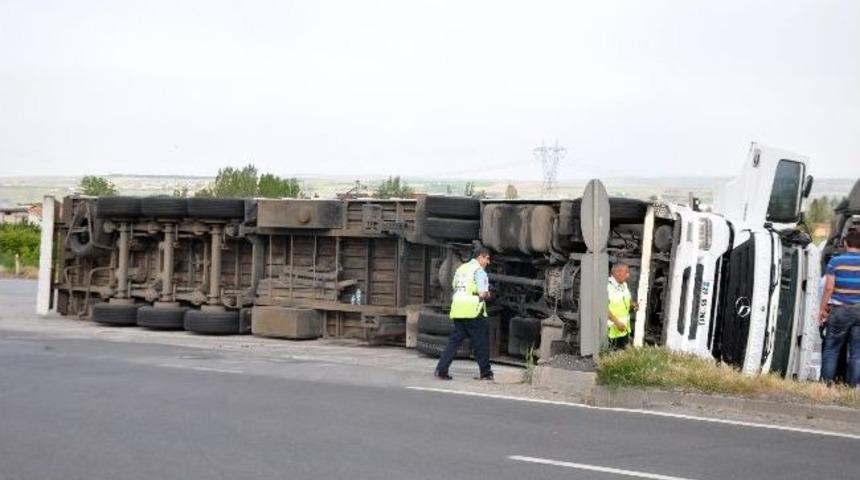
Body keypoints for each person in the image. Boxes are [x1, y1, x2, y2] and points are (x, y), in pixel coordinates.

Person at [435, 248, 494, 381]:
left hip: (458, 309)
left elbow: (454, 286)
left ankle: (441, 369)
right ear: (480, 257)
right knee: (481, 343)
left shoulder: (461, 269)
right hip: (473, 311)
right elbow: (482, 294)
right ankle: (486, 373)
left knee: (454, 342)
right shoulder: (479, 271)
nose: (488, 262)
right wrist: (488, 294)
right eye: (487, 258)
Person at [819, 230, 860, 387]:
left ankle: (826, 386)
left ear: (845, 243)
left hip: (840, 310)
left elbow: (829, 288)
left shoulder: (835, 261)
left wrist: (822, 309)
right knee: (857, 353)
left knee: (831, 349)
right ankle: (852, 388)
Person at [607, 262, 636, 350]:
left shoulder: (624, 285)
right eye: (626, 272)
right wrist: (616, 322)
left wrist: (633, 305)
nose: (628, 275)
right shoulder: (606, 287)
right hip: (610, 332)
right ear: (618, 273)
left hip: (623, 330)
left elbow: (627, 300)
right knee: (609, 355)